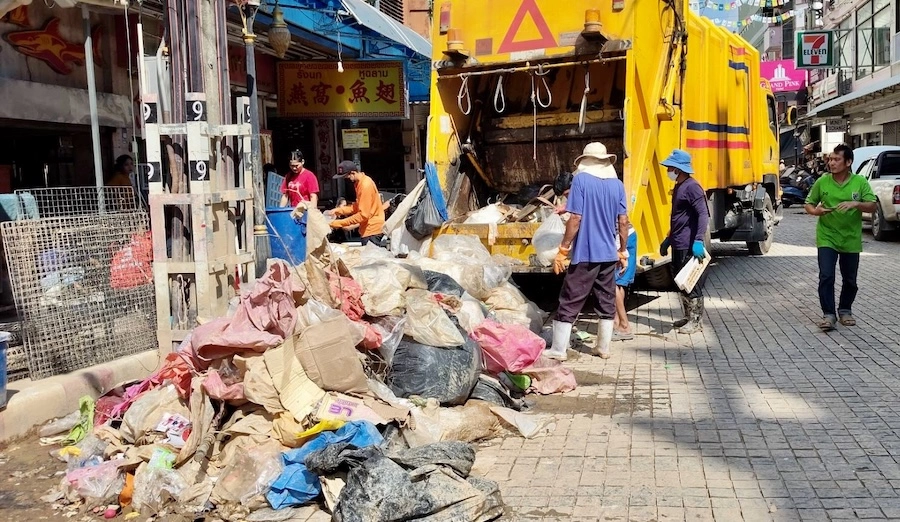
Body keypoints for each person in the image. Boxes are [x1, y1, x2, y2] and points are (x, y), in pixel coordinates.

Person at [546, 142, 629, 361]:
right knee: (605, 300)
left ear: (585, 161)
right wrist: (622, 250)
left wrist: (563, 249)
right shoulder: (618, 185)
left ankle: (558, 350)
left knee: (570, 300)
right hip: (609, 255)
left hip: (586, 254)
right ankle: (603, 348)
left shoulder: (581, 181)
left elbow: (575, 218)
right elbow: (623, 221)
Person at [804, 144, 876, 331]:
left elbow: (872, 206)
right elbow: (809, 205)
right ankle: (829, 315)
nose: (831, 163)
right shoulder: (823, 181)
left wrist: (855, 203)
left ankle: (845, 309)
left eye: (837, 159)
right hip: (827, 236)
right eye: (830, 159)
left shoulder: (859, 182)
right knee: (826, 275)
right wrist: (817, 211)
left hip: (850, 238)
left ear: (848, 162)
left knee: (850, 279)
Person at [659, 149, 709, 334]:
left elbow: (703, 214)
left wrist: (698, 240)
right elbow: (678, 218)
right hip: (679, 242)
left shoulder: (692, 187)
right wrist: (668, 239)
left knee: (691, 282)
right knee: (681, 281)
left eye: (670, 167)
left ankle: (696, 321)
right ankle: (688, 316)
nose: (668, 170)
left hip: (689, 243)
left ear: (678, 169)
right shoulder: (680, 187)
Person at [327, 160, 386, 246]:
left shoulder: (365, 185)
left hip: (372, 230)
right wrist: (339, 210)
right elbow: (358, 206)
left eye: (346, 176)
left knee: (370, 258)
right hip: (369, 229)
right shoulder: (360, 183)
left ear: (353, 173)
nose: (345, 179)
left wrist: (338, 223)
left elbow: (363, 215)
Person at [613, 221, 638, 340]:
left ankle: (624, 325)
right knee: (619, 282)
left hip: (620, 238)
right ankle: (616, 322)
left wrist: (621, 251)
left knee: (610, 282)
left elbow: (622, 221)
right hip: (628, 234)